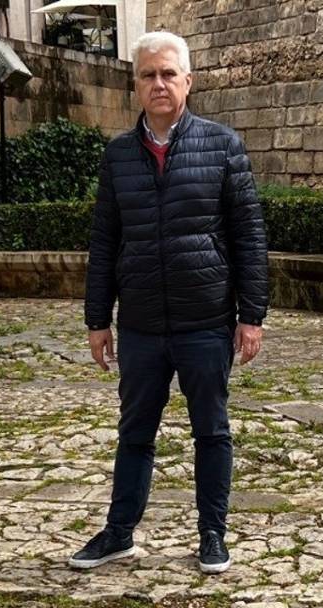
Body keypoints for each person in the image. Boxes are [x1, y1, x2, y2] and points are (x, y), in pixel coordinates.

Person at [73, 30, 269, 575]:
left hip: (205, 319)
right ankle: (118, 532)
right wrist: (97, 318)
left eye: (167, 74)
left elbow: (248, 235)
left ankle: (212, 532)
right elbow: (105, 240)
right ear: (134, 85)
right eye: (147, 75)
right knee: (135, 431)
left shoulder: (223, 145)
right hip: (140, 324)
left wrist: (251, 315)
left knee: (211, 430)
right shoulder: (117, 156)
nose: (158, 84)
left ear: (187, 80)